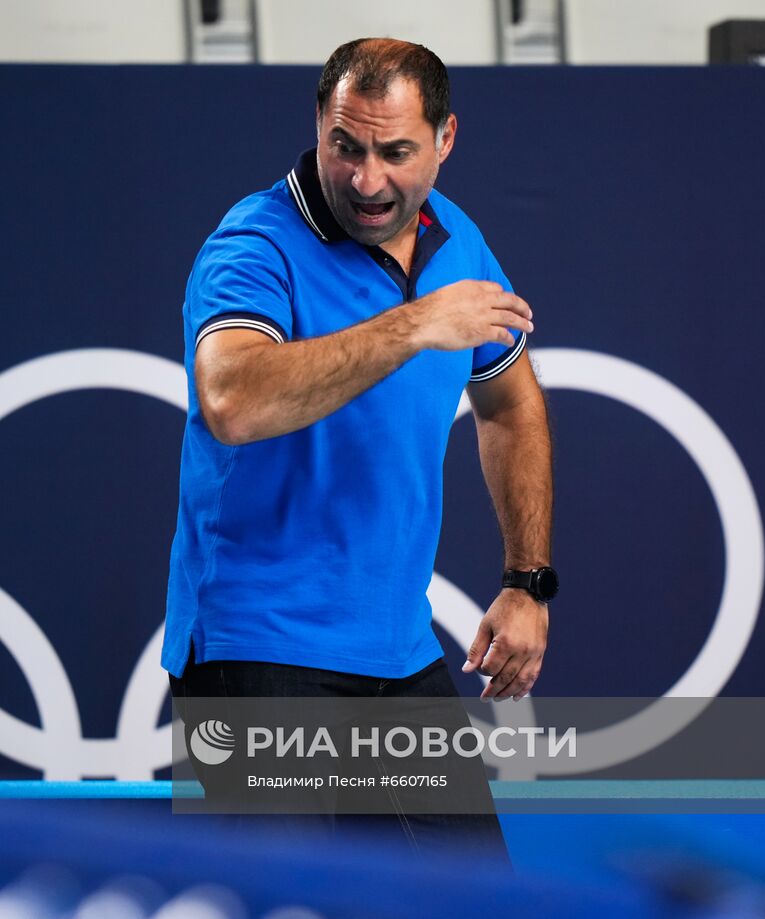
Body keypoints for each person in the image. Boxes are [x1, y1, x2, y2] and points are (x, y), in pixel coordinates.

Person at [163, 38, 556, 854]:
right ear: (319, 125)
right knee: (279, 904)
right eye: (346, 146)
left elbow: (511, 404)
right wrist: (413, 326)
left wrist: (527, 581)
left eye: (396, 152)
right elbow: (232, 400)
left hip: (399, 653)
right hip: (256, 650)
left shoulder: (459, 241)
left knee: (472, 900)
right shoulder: (254, 244)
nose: (367, 180)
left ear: (445, 140)